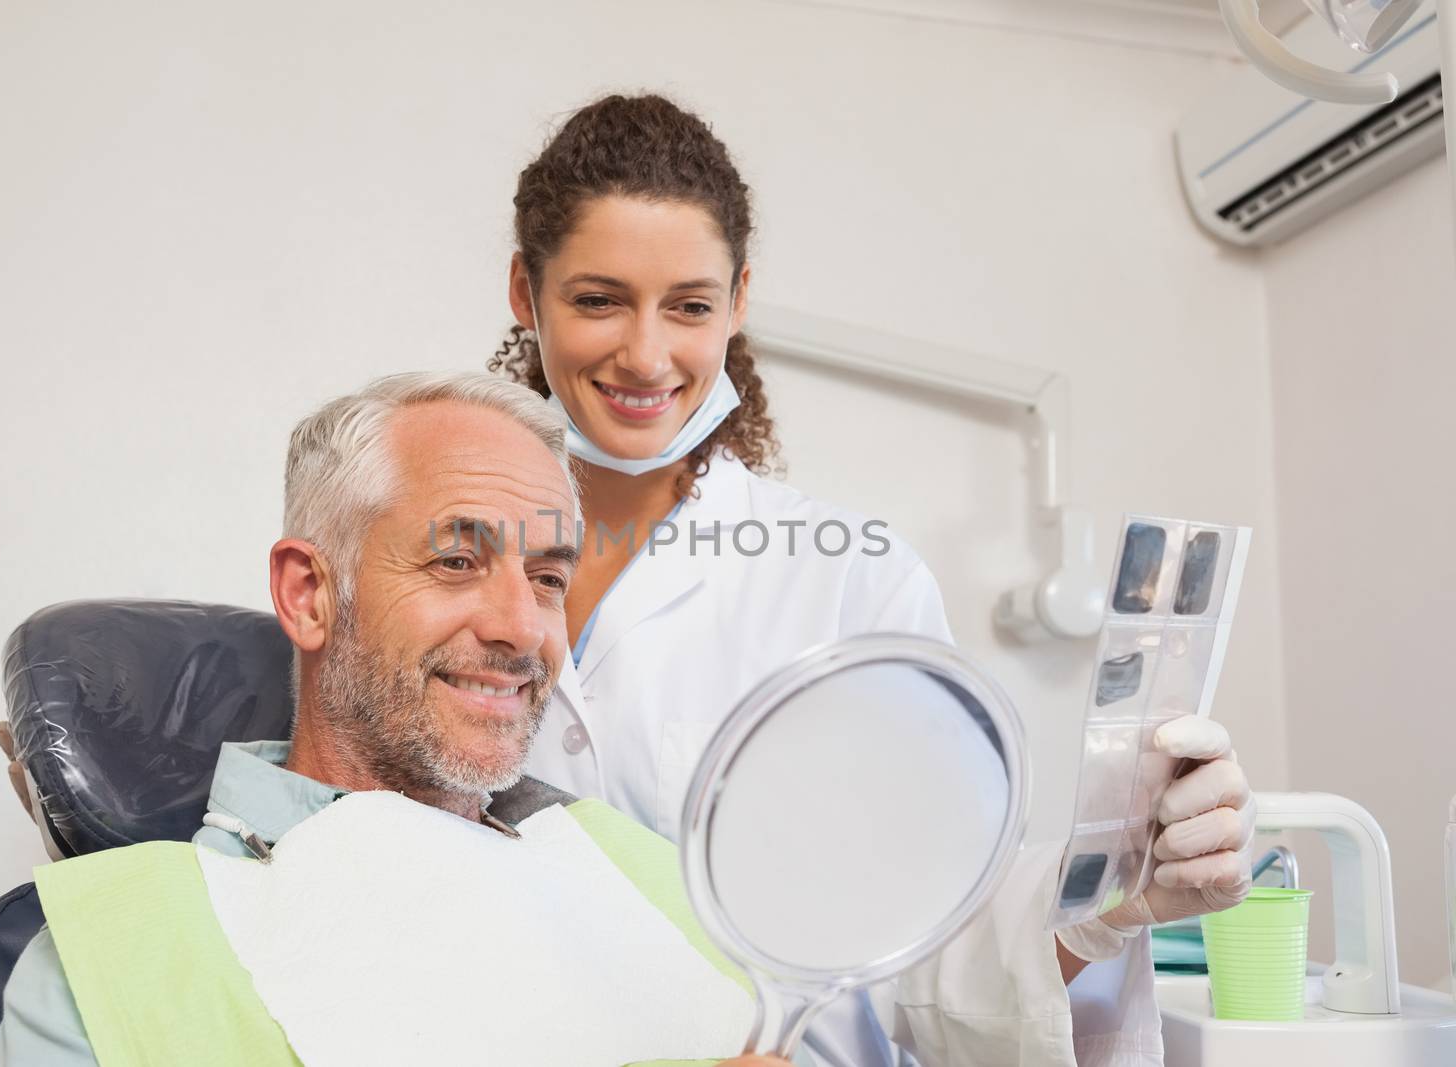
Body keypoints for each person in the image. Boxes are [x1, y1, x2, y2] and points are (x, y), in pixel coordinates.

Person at [490, 93, 1255, 1067]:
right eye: (598, 298)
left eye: (688, 304)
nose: (646, 352)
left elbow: (928, 940)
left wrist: (1113, 896)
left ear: (738, 300)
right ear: (526, 290)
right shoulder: (450, 559)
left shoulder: (848, 578)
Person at [0, 372, 799, 1067]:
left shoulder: (649, 881)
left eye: (548, 576)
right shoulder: (124, 955)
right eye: (456, 560)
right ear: (309, 593)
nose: (521, 626)